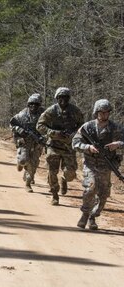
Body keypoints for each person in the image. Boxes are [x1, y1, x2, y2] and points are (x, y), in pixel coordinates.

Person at [72, 99, 124, 230]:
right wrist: (88, 147)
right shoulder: (87, 127)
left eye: (107, 112)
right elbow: (75, 143)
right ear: (96, 112)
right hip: (90, 163)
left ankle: (93, 216)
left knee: (104, 194)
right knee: (91, 187)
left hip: (107, 165)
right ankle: (85, 214)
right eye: (102, 112)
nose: (105, 115)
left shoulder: (115, 127)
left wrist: (118, 144)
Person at [36, 87, 84, 205]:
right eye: (60, 97)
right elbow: (39, 126)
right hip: (53, 146)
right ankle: (55, 194)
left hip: (69, 147)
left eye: (66, 97)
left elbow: (83, 126)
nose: (63, 100)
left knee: (70, 174)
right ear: (57, 98)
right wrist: (53, 133)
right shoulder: (51, 111)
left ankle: (64, 179)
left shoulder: (75, 111)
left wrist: (74, 134)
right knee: (52, 172)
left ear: (69, 98)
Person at [10, 94, 45, 193]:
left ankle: (28, 183)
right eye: (31, 104)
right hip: (25, 140)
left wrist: (44, 137)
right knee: (23, 160)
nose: (33, 106)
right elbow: (12, 123)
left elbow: (49, 126)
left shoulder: (44, 115)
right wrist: (19, 129)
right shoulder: (22, 114)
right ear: (28, 104)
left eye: (36, 104)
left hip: (38, 141)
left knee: (33, 162)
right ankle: (21, 163)